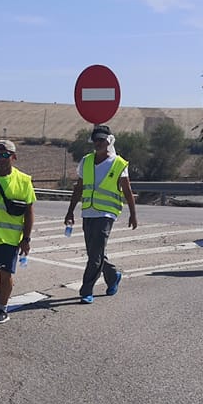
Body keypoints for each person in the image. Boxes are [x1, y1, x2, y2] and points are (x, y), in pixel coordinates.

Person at [64, 124, 138, 300]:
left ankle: (86, 290)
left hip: (106, 214)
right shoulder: (86, 161)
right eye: (96, 140)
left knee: (95, 254)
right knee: (94, 254)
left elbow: (127, 190)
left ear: (109, 141)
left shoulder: (118, 163)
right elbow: (79, 188)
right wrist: (70, 211)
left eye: (102, 140)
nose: (98, 143)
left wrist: (133, 214)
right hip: (88, 213)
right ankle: (113, 276)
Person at [0, 140, 35, 323]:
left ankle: (2, 308)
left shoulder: (24, 180)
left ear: (13, 157)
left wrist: (26, 239)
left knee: (6, 274)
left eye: (4, 155)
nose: (0, 159)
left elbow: (29, 212)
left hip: (10, 238)